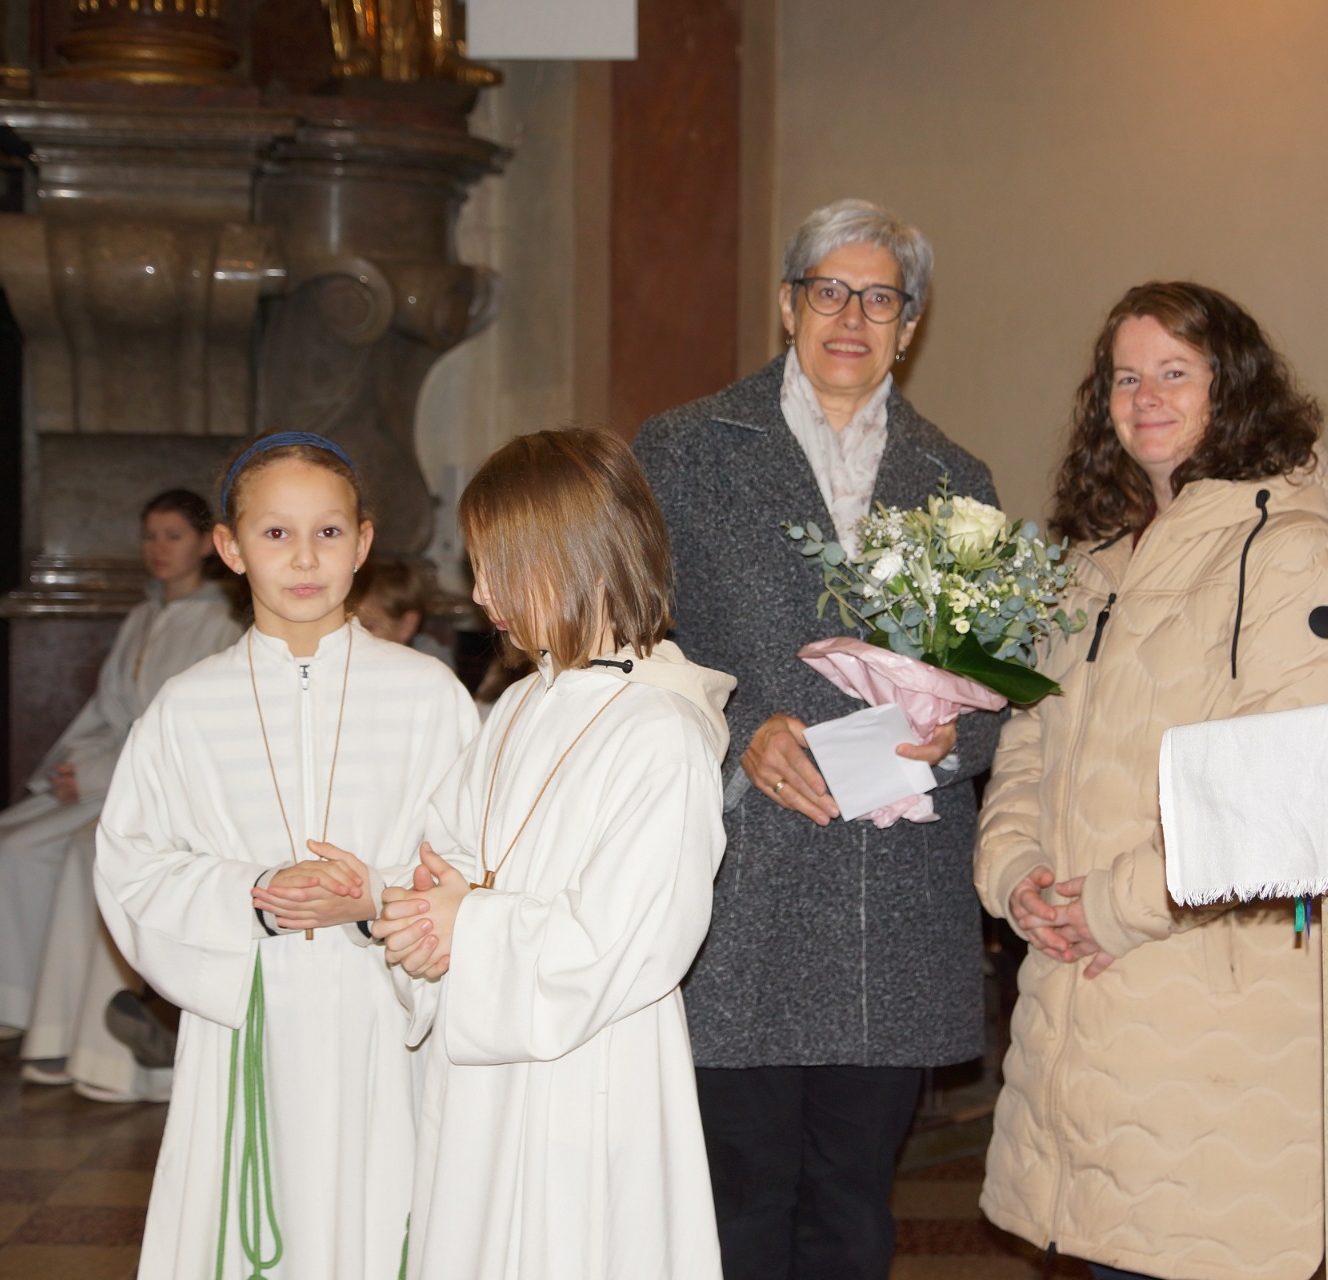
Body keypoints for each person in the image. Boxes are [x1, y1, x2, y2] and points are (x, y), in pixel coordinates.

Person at [972, 282, 1328, 1280]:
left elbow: (1298, 793)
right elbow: (1028, 738)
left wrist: (1113, 904)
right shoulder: (1092, 566)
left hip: (1213, 1027)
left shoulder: (1296, 558)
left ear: (1233, 387)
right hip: (1084, 1020)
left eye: (1175, 372)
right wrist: (1016, 871)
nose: (1147, 397)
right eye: (1126, 378)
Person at [631, 198, 1000, 1280]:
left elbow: (994, 683)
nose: (852, 316)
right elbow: (631, 644)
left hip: (892, 897)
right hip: (743, 881)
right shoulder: (685, 450)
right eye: (828, 290)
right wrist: (738, 729)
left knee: (851, 1211)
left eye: (880, 298)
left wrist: (951, 737)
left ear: (910, 325)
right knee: (738, 1206)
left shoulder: (957, 480)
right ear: (787, 305)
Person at [94, 431, 477, 1279]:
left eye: (328, 532)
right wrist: (257, 892)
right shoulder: (187, 708)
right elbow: (132, 868)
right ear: (229, 548)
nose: (305, 558)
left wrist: (374, 898)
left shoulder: (426, 697)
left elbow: (470, 859)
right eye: (275, 533)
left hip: (384, 1017)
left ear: (363, 544)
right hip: (249, 1017)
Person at [373, 427, 732, 1280]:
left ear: (585, 559)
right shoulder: (516, 707)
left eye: (500, 567)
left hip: (589, 1075)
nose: (480, 592)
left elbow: (631, 940)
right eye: (477, 567)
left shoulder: (661, 732)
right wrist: (422, 921)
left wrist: (466, 925)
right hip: (482, 1073)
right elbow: (443, 856)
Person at [0, 491, 240, 1045]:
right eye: (149, 536)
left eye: (173, 536)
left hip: (157, 786)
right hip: (111, 770)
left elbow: (193, 732)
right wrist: (72, 766)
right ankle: (7, 997)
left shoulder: (220, 624)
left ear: (208, 545)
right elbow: (108, 711)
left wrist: (98, 775)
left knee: (28, 852)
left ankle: (40, 1011)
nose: (158, 549)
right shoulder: (142, 614)